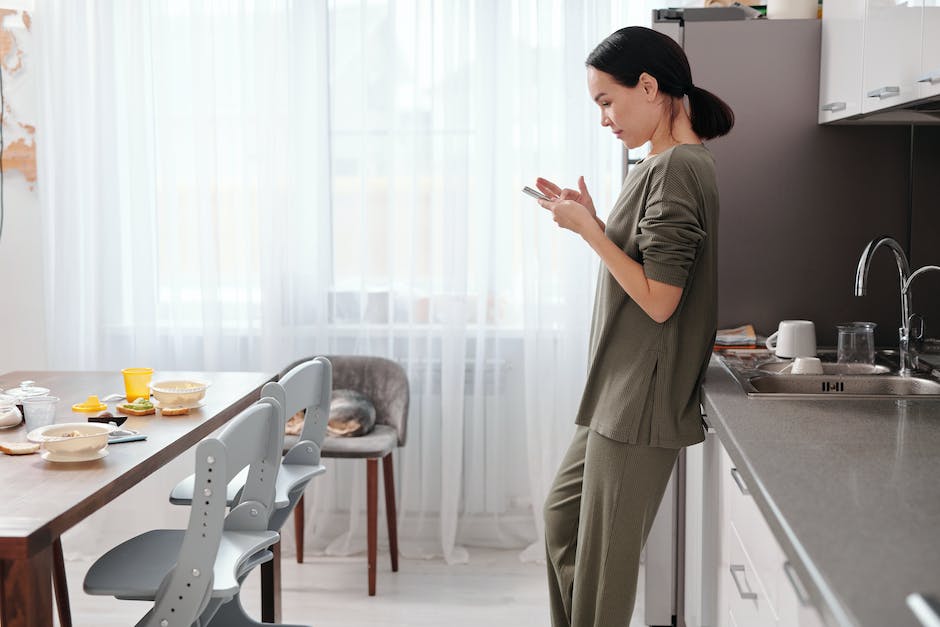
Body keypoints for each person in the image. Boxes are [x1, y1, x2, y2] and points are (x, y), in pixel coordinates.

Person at [536, 26, 734, 627]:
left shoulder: (676, 169)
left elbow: (659, 301)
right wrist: (598, 221)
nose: (604, 118)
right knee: (561, 521)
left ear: (648, 86)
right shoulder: (663, 165)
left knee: (604, 576)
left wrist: (590, 233)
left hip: (641, 397)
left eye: (606, 101)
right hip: (617, 392)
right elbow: (647, 261)